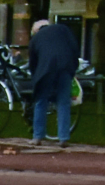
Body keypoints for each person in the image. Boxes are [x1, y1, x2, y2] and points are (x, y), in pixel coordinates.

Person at [26, 15, 78, 145]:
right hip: (65, 67)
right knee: (63, 102)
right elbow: (74, 48)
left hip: (45, 70)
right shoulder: (63, 29)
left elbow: (33, 63)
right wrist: (73, 68)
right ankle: (63, 137)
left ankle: (38, 136)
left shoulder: (35, 39)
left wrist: (35, 78)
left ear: (36, 30)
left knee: (41, 101)